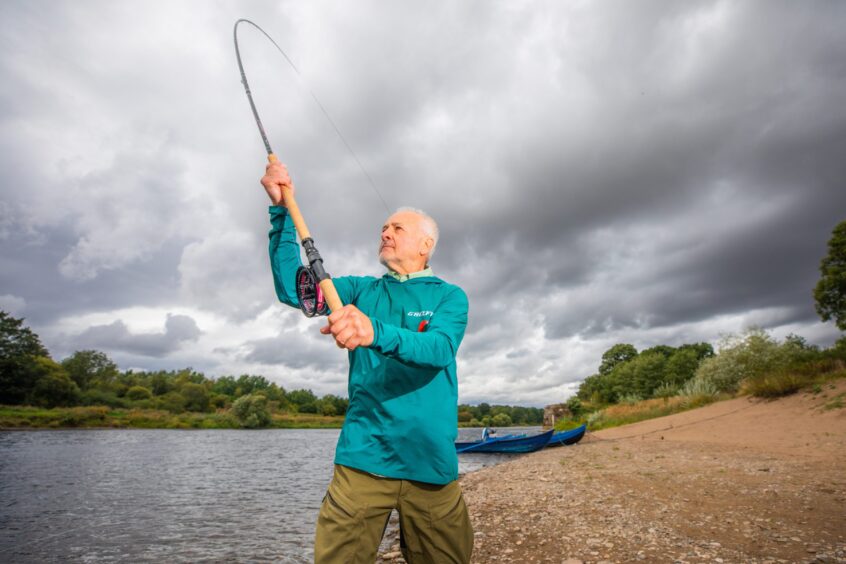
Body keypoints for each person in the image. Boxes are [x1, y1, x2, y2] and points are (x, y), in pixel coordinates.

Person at [261, 161, 473, 564]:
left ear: (426, 246)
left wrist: (372, 332)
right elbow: (296, 289)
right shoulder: (357, 290)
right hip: (362, 459)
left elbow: (439, 350)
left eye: (398, 228)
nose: (385, 232)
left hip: (430, 465)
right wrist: (282, 212)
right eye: (383, 228)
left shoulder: (451, 296)